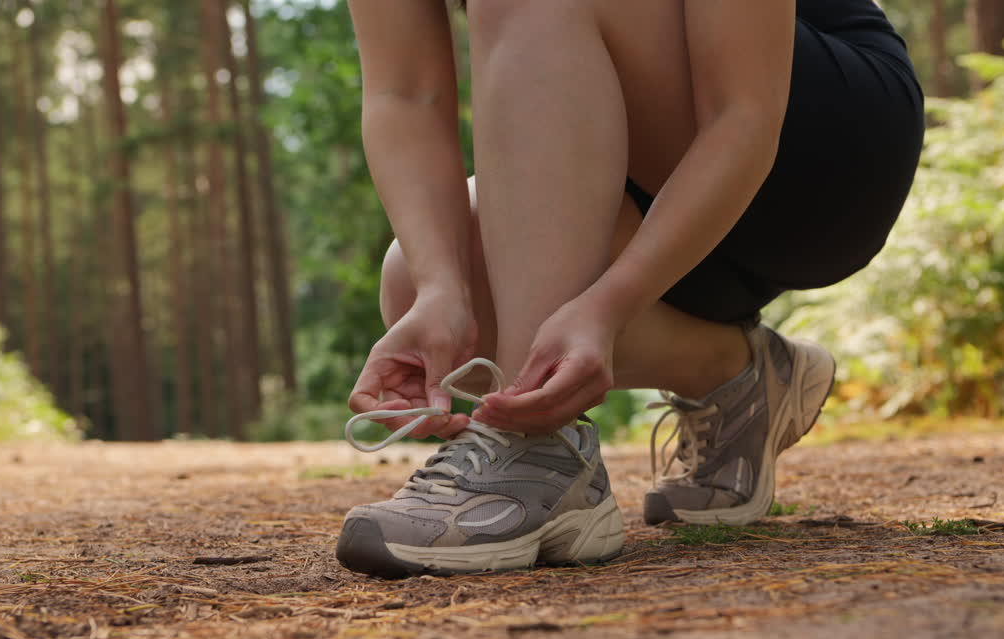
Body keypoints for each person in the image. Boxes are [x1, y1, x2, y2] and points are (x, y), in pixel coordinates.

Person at [336, 0, 924, 579]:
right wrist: (442, 290)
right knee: (417, 276)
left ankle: (533, 449)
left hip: (818, 148)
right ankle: (739, 376)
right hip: (643, 165)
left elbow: (744, 112)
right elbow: (405, 92)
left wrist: (610, 306)